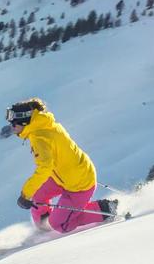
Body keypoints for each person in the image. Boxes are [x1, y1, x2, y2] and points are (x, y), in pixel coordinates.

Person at [6, 98, 107, 233]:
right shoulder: (45, 124)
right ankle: (44, 227)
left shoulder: (39, 138)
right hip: (66, 176)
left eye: (13, 124)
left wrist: (25, 194)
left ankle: (104, 209)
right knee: (38, 196)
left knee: (60, 225)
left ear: (24, 121)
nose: (12, 128)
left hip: (79, 185)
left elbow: (44, 168)